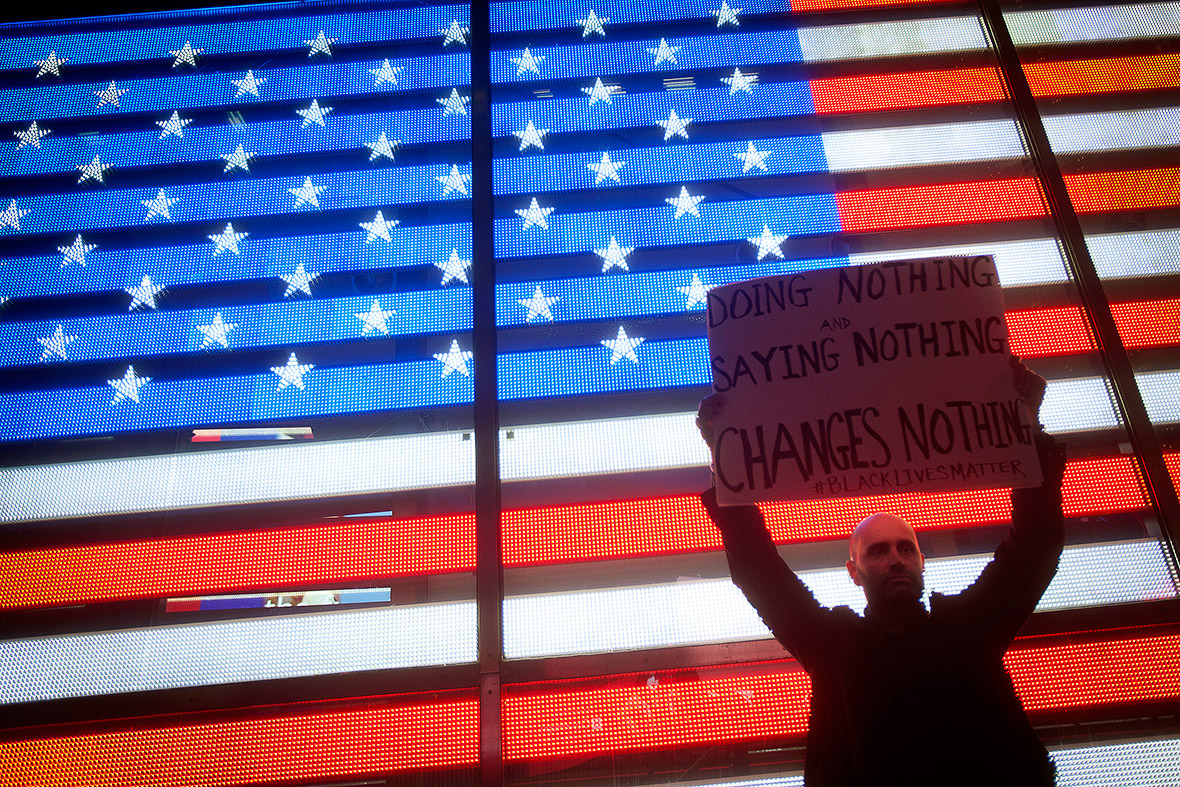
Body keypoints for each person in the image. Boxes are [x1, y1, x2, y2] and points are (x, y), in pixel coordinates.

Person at [696, 357, 1066, 786]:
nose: (896, 559)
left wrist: (1029, 430)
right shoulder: (832, 646)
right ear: (853, 571)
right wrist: (724, 457)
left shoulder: (970, 628)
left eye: (906, 548)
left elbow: (1034, 549)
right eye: (878, 551)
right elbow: (759, 573)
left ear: (921, 561)